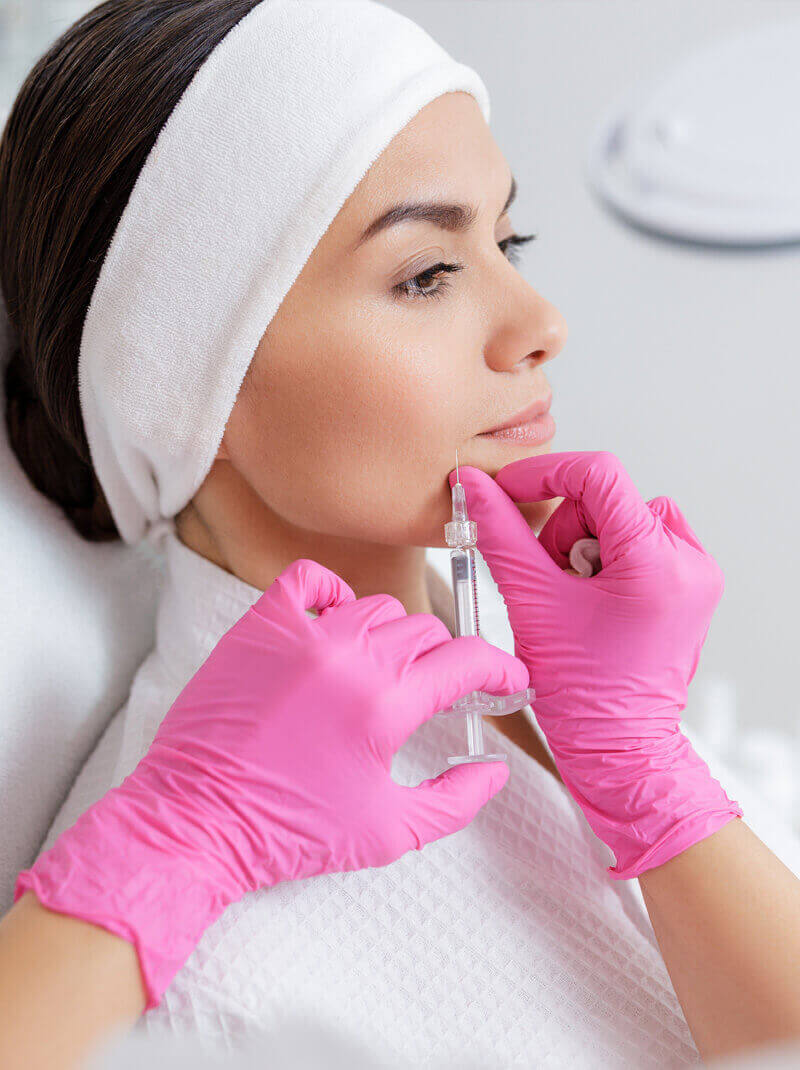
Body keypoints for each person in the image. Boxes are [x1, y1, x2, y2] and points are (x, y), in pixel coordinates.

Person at [1, 2, 798, 1068]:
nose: (541, 323)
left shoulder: (558, 694)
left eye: (506, 238)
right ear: (188, 384)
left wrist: (652, 771)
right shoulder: (192, 984)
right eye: (426, 274)